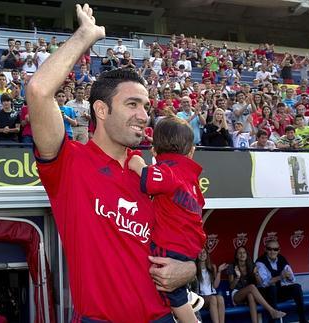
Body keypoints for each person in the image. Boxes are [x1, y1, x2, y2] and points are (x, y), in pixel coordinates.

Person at [26, 4, 195, 322]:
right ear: (101, 111)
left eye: (145, 106)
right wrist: (85, 36)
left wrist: (187, 267)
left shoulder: (153, 175)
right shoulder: (69, 164)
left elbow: (181, 241)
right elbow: (38, 91)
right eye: (132, 104)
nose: (144, 115)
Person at [128, 116, 206, 323]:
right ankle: (186, 293)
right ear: (191, 152)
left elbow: (149, 181)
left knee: (168, 289)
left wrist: (137, 163)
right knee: (175, 287)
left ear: (154, 150)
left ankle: (190, 318)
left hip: (170, 245)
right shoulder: (191, 178)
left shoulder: (169, 170)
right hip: (189, 246)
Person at [228, 247, 286, 323]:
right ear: (236, 256)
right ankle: (271, 311)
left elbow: (260, 283)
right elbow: (231, 287)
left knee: (250, 295)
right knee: (251, 287)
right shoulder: (232, 266)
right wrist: (238, 277)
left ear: (247, 254)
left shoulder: (251, 265)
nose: (242, 255)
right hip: (236, 295)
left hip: (249, 293)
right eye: (240, 253)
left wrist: (256, 274)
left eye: (244, 252)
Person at [256, 240, 309, 323]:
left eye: (275, 249)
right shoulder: (260, 262)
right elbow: (264, 283)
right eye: (269, 249)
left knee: (297, 287)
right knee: (272, 288)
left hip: (278, 292)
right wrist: (280, 277)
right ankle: (273, 321)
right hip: (265, 295)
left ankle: (303, 319)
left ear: (279, 250)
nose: (272, 251)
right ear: (265, 249)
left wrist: (288, 276)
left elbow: (293, 279)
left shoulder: (281, 259)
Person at [196, 248, 228, 323]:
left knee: (220, 298)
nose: (202, 254)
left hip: (211, 295)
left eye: (204, 252)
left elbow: (215, 286)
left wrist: (219, 272)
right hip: (200, 297)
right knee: (213, 298)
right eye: (200, 252)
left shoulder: (212, 267)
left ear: (207, 255)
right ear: (197, 255)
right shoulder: (195, 268)